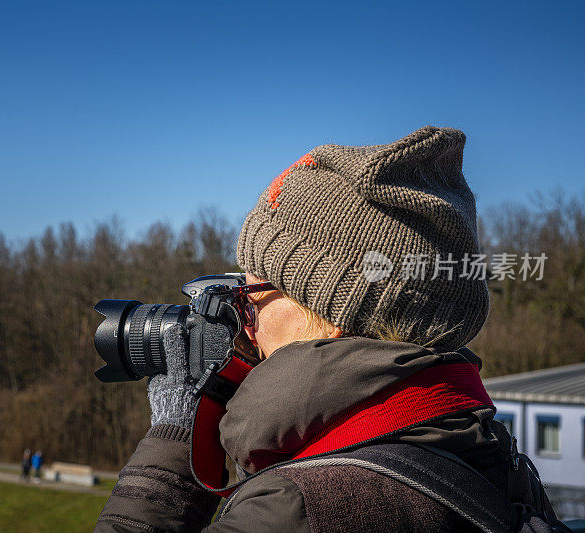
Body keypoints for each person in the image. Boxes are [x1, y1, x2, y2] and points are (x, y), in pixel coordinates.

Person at [95, 126, 561, 532]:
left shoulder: (298, 509)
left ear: (334, 315)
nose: (244, 323)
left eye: (251, 295)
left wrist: (175, 437)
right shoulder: (485, 451)